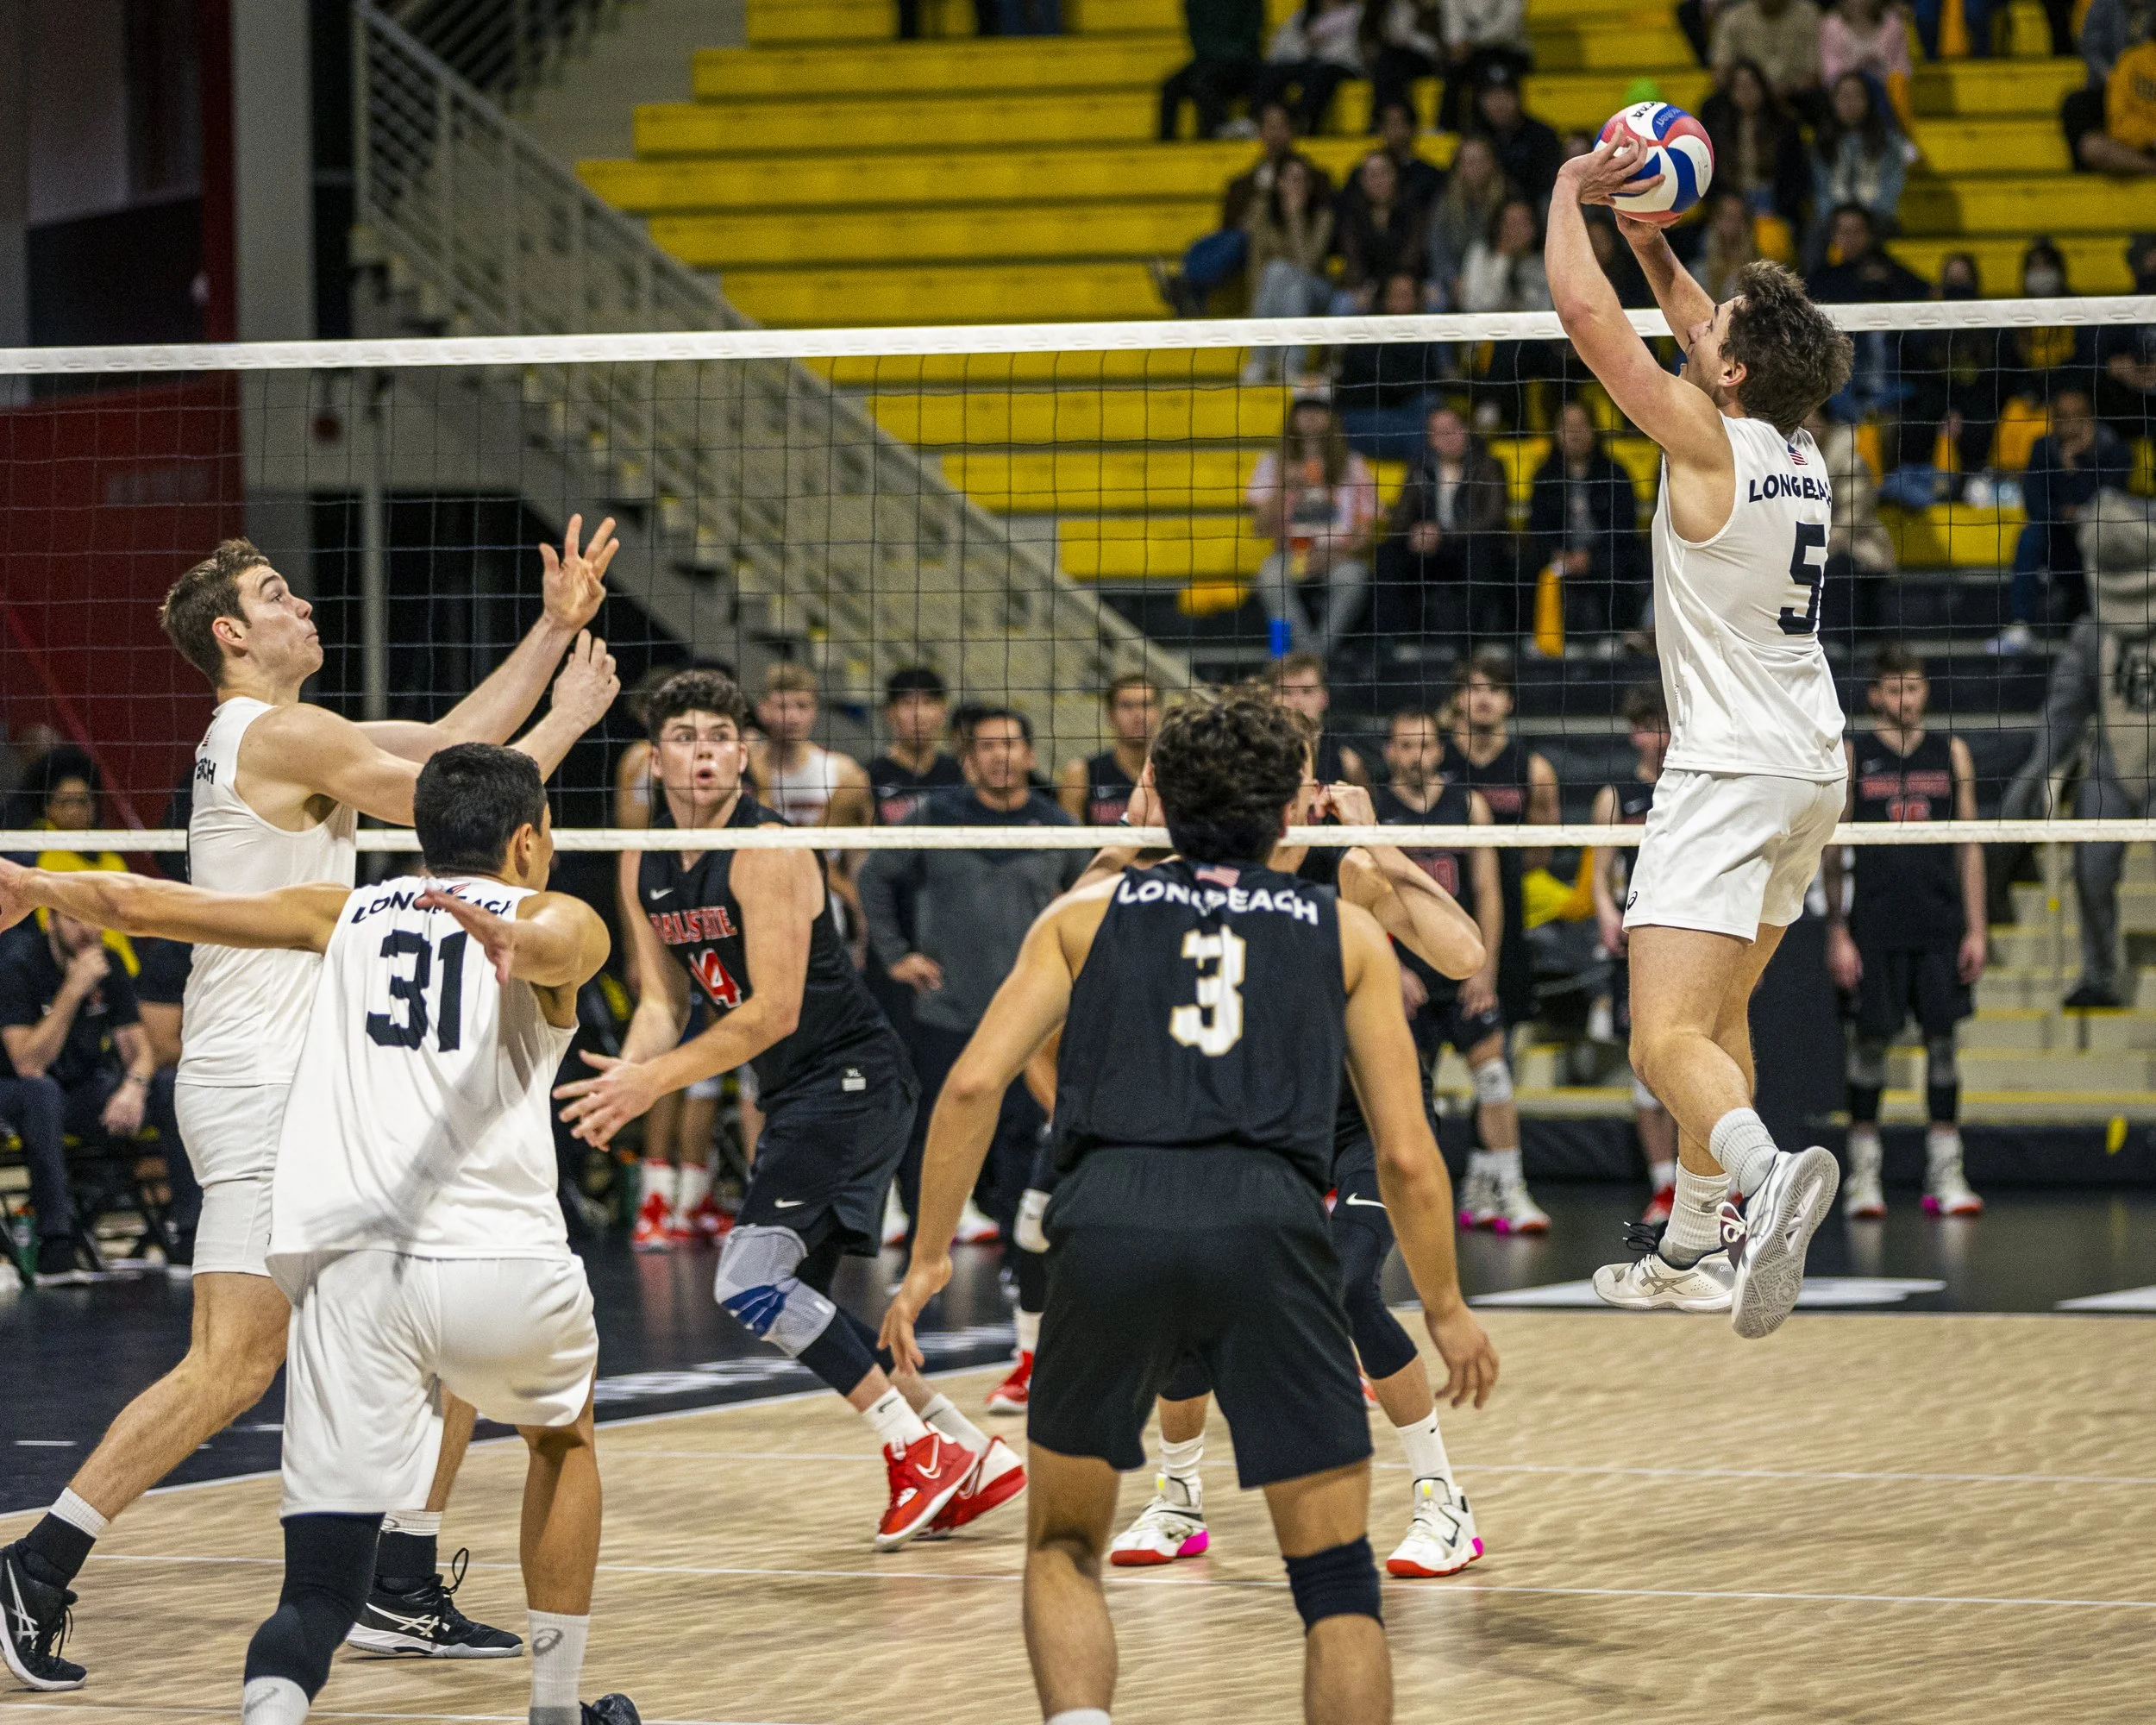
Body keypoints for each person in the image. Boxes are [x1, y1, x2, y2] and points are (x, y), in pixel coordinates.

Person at [0, 526, 618, 1690]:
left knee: (422, 1302)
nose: (303, 606)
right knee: (237, 1361)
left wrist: (549, 627)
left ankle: (395, 1577)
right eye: (275, 595)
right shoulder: (275, 731)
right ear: (233, 635)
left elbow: (444, 751)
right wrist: (572, 710)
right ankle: (37, 1563)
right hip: (262, 1083)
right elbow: (457, 804)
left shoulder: (289, 734)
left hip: (299, 1079)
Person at [880, 689, 1501, 1725]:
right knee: (1337, 1580)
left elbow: (971, 1082)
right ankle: (1179, 1494)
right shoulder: (1332, 929)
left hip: (1149, 1193)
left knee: (1065, 1542)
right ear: (1283, 793)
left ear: (1164, 793)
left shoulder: (1121, 908)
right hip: (1267, 1198)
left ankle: (1439, 1494)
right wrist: (1444, 1302)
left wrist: (929, 1256)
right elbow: (1415, 1152)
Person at [555, 670, 1025, 1550]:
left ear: (743, 754)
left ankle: (911, 1450)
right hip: (796, 1091)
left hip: (850, 1078)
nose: (702, 751)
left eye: (718, 736)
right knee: (796, 1300)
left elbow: (771, 1011)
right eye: (684, 736)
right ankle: (970, 1451)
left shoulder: (768, 849)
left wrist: (653, 1084)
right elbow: (660, 1002)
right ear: (655, 758)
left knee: (749, 1279)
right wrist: (628, 1074)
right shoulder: (638, 856)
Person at [1549, 134, 1854, 1337]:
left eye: (1713, 324)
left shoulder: (1700, 438)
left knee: (1661, 1036)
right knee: (1719, 1024)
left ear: (1725, 375)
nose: (1699, 323)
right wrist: (1654, 244)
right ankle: (1689, 1249)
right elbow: (1698, 336)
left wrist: (1575, 196)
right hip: (1812, 770)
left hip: (1726, 770)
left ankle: (1766, 1177)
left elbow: (1588, 318)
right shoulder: (1799, 450)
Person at [1104, 758, 1492, 1579]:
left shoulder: (1346, 869)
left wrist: (1377, 841)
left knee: (1347, 1285)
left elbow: (1462, 954)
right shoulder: (1195, 873)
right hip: (1260, 1119)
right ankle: (1178, 1499)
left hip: (1361, 1115)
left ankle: (1443, 1504)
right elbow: (1097, 902)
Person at [861, 710, 1086, 1246]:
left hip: (1032, 1014)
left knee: (1025, 1133)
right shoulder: (935, 815)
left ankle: (1018, 1253)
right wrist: (896, 955)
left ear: (1031, 756)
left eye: (1010, 744)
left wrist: (1080, 973)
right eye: (986, 746)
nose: (1000, 755)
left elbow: (1092, 897)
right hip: (950, 1002)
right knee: (936, 1123)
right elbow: (873, 876)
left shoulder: (1058, 825)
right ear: (967, 760)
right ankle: (926, 1241)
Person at [1822, 646, 1987, 1220]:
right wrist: (1837, 932)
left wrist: (1977, 928)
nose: (1904, 699)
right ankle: (1862, 1178)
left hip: (1939, 927)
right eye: (1893, 689)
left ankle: (1947, 1173)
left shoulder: (1950, 751)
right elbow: (1833, 852)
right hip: (1873, 928)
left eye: (1913, 688)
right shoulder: (1852, 754)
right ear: (1874, 695)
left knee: (1943, 1046)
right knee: (1869, 1049)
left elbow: (1969, 845)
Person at [1376, 708, 1539, 1233]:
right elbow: (1364, 899)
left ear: (1440, 750)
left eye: (1423, 746)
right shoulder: (1373, 810)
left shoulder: (1467, 805)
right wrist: (1390, 971)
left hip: (1462, 972)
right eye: (1403, 746)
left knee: (1493, 1078)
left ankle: (1510, 1191)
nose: (1414, 756)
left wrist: (1483, 970)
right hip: (1405, 975)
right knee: (1409, 1095)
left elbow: (1488, 892)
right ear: (1388, 752)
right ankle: (1406, 1203)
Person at [0, 907, 175, 1285]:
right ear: (51, 923)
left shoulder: (108, 963)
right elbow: (28, 1063)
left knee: (166, 1085)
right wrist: (74, 988)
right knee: (41, 1092)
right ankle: (56, 1246)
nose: (87, 930)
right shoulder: (18, 964)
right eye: (74, 920)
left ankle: (187, 1233)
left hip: (79, 1090)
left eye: (94, 920)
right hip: (14, 1092)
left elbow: (139, 1050)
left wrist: (134, 1087)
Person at [1439, 653, 1554, 1231]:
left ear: (1508, 701)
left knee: (1498, 1056)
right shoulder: (1437, 760)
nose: (1482, 699)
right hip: (1437, 924)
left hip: (1503, 928)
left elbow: (1542, 849)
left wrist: (1498, 883)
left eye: (1493, 689)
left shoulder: (1530, 767)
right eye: (1472, 688)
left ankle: (1484, 1181)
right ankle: (1469, 1182)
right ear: (1457, 699)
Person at [1590, 683, 1679, 1224]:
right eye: (1651, 727)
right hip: (1636, 942)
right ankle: (1663, 1186)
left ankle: (1704, 1183)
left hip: (1686, 938)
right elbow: (1600, 872)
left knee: (1693, 1058)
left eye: (1667, 726)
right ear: (1634, 734)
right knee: (1644, 1066)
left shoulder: (1694, 788)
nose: (1661, 739)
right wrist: (1605, 913)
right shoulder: (1617, 796)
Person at [1152, 103, 1332, 317]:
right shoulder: (1243, 182)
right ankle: (1189, 283)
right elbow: (1228, 224)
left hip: (1285, 253)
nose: (1274, 133)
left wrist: (1285, 212)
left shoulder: (1315, 179)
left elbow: (1310, 251)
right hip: (1253, 250)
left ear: (1292, 130)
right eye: (1269, 126)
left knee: (1243, 239)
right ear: (1261, 131)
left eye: (1280, 126)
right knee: (1217, 241)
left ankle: (1188, 285)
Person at [1995, 386, 2132, 655]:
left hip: (2095, 543)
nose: (2068, 424)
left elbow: (2110, 505)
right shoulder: (2043, 448)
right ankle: (2020, 624)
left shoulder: (2115, 451)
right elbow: (2034, 503)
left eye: (2076, 416)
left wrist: (2074, 472)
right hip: (2057, 539)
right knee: (2031, 536)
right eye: (2061, 417)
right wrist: (2063, 511)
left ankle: (2110, 625)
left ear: (2090, 418)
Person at [1247, 395, 1382, 660]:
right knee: (1270, 578)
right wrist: (1283, 488)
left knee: (1353, 579)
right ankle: (1291, 657)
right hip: (1292, 553)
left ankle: (1314, 657)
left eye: (1318, 410)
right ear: (1292, 417)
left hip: (1338, 555)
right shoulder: (1271, 463)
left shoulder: (1353, 465)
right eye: (1303, 410)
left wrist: (1334, 556)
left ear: (1331, 418)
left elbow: (1366, 531)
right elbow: (1260, 528)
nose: (1310, 416)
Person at [1372, 404, 1515, 643]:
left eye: (1453, 429)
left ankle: (1468, 644)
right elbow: (1400, 518)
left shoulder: (1489, 465)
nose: (1447, 438)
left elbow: (1494, 518)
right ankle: (1398, 644)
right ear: (1430, 440)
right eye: (1439, 433)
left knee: (1482, 550)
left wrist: (1444, 533)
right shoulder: (1420, 468)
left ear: (1466, 430)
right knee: (1388, 553)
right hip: (1430, 550)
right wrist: (1415, 532)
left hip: (1468, 546)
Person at [1526, 399, 1651, 644]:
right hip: (1558, 556)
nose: (1573, 434)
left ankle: (1615, 637)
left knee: (1621, 561)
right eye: (1566, 427)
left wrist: (1590, 555)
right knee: (1524, 564)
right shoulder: (1544, 476)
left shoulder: (1616, 473)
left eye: (1580, 426)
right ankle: (1539, 642)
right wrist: (1558, 553)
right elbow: (1538, 526)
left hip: (1603, 553)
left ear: (1593, 429)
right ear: (1555, 432)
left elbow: (1624, 526)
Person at [1457, 197, 1557, 430]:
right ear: (1498, 225)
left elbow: (1543, 308)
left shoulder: (1544, 257)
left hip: (1536, 341)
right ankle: (1504, 421)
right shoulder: (1481, 254)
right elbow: (1476, 304)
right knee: (1505, 347)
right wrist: (1504, 259)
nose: (1516, 230)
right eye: (1510, 223)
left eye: (1523, 223)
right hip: (1486, 340)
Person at [1336, 273, 1450, 461]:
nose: (1402, 300)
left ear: (1417, 299)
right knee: (1423, 437)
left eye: (1407, 294)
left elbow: (1430, 381)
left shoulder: (1425, 333)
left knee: (1433, 412)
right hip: (1364, 414)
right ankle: (1427, 486)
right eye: (1396, 294)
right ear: (1385, 298)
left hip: (1407, 412)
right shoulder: (1365, 329)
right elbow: (1389, 379)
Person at [1241, 157, 1338, 380]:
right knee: (1279, 274)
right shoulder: (1262, 211)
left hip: (1316, 289)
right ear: (1279, 183)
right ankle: (1291, 365)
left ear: (1310, 185)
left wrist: (1295, 217)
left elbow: (1309, 264)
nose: (1295, 185)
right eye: (1289, 178)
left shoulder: (1323, 216)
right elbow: (1255, 262)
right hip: (1275, 290)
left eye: (1301, 179)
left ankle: (1261, 360)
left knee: (1283, 273)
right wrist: (1254, 301)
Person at [1807, 72, 1906, 268]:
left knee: (1872, 235)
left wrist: (1861, 216)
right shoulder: (1822, 143)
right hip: (1834, 215)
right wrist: (1842, 216)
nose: (1850, 103)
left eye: (1856, 96)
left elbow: (1893, 185)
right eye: (1843, 97)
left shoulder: (1889, 142)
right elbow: (1821, 189)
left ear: (1868, 101)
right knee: (1816, 235)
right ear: (1833, 102)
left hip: (1877, 215)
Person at [1699, 58, 1810, 229]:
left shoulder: (1786, 126)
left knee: (1772, 239)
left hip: (1773, 203)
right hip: (1732, 202)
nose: (1746, 92)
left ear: (1763, 87)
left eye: (1752, 85)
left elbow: (1796, 179)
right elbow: (1709, 178)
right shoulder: (1718, 128)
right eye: (1740, 87)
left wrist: (1776, 209)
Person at [1058, 674, 1163, 825]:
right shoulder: (1081, 773)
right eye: (1127, 706)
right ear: (1110, 715)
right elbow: (1071, 843)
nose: (1138, 715)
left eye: (1146, 705)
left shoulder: (1176, 773)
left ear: (1159, 712)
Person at [1426, 134, 1514, 307]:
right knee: (1434, 298)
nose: (1475, 167)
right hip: (1455, 279)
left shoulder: (1508, 197)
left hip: (1501, 274)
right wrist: (1453, 279)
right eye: (1468, 161)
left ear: (1492, 163)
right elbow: (1438, 248)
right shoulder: (1446, 203)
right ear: (1458, 166)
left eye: (1481, 160)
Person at [1332, 154, 1430, 310]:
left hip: (1410, 280)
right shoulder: (1352, 214)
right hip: (1368, 283)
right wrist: (1366, 288)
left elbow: (1414, 254)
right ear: (1362, 180)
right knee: (1344, 304)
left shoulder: (1413, 208)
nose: (1378, 180)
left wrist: (1397, 286)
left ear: (1395, 176)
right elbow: (1353, 258)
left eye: (1383, 173)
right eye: (1372, 175)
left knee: (1435, 300)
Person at [1255, 0, 1366, 135]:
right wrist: (1307, 45)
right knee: (1273, 72)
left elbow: (1354, 48)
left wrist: (1320, 45)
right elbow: (1282, 44)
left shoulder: (1357, 13)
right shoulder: (1303, 15)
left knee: (1320, 74)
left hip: (1343, 64)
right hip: (1308, 62)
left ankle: (1304, 125)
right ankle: (1261, 123)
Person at [1159, 0, 1266, 140]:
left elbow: (1253, 35)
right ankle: (1166, 146)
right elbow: (1197, 37)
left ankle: (1213, 135)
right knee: (1171, 87)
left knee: (1202, 81)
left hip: (1244, 61)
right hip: (1208, 61)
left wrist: (1227, 56)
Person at [1466, 62, 1561, 207]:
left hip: (1535, 212)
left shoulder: (1542, 136)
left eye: (1505, 95)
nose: (1499, 104)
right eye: (1492, 97)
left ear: (1519, 98)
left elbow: (1549, 184)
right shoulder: (1475, 137)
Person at [1710, 0, 1825, 116]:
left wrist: (1785, 89)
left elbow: (1814, 73)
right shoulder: (1733, 18)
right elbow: (1721, 71)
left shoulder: (1808, 15)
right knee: (1712, 106)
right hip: (1746, 96)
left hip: (1795, 97)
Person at [1272, 652, 1371, 786]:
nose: (1296, 702)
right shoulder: (1254, 757)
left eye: (1307, 691)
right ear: (1271, 698)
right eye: (1286, 692)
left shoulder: (1347, 761)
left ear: (1324, 698)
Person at [1437, 0, 1533, 132]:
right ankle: (1447, 128)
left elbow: (1508, 25)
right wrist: (1457, 41)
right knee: (1454, 68)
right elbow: (1452, 20)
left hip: (1510, 50)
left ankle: (1483, 129)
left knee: (1485, 66)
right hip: (1470, 53)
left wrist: (1472, 42)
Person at [2096, 232, 2156, 442]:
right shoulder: (2122, 309)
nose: (2150, 262)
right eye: (2145, 257)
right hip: (2133, 402)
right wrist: (2121, 368)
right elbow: (2103, 359)